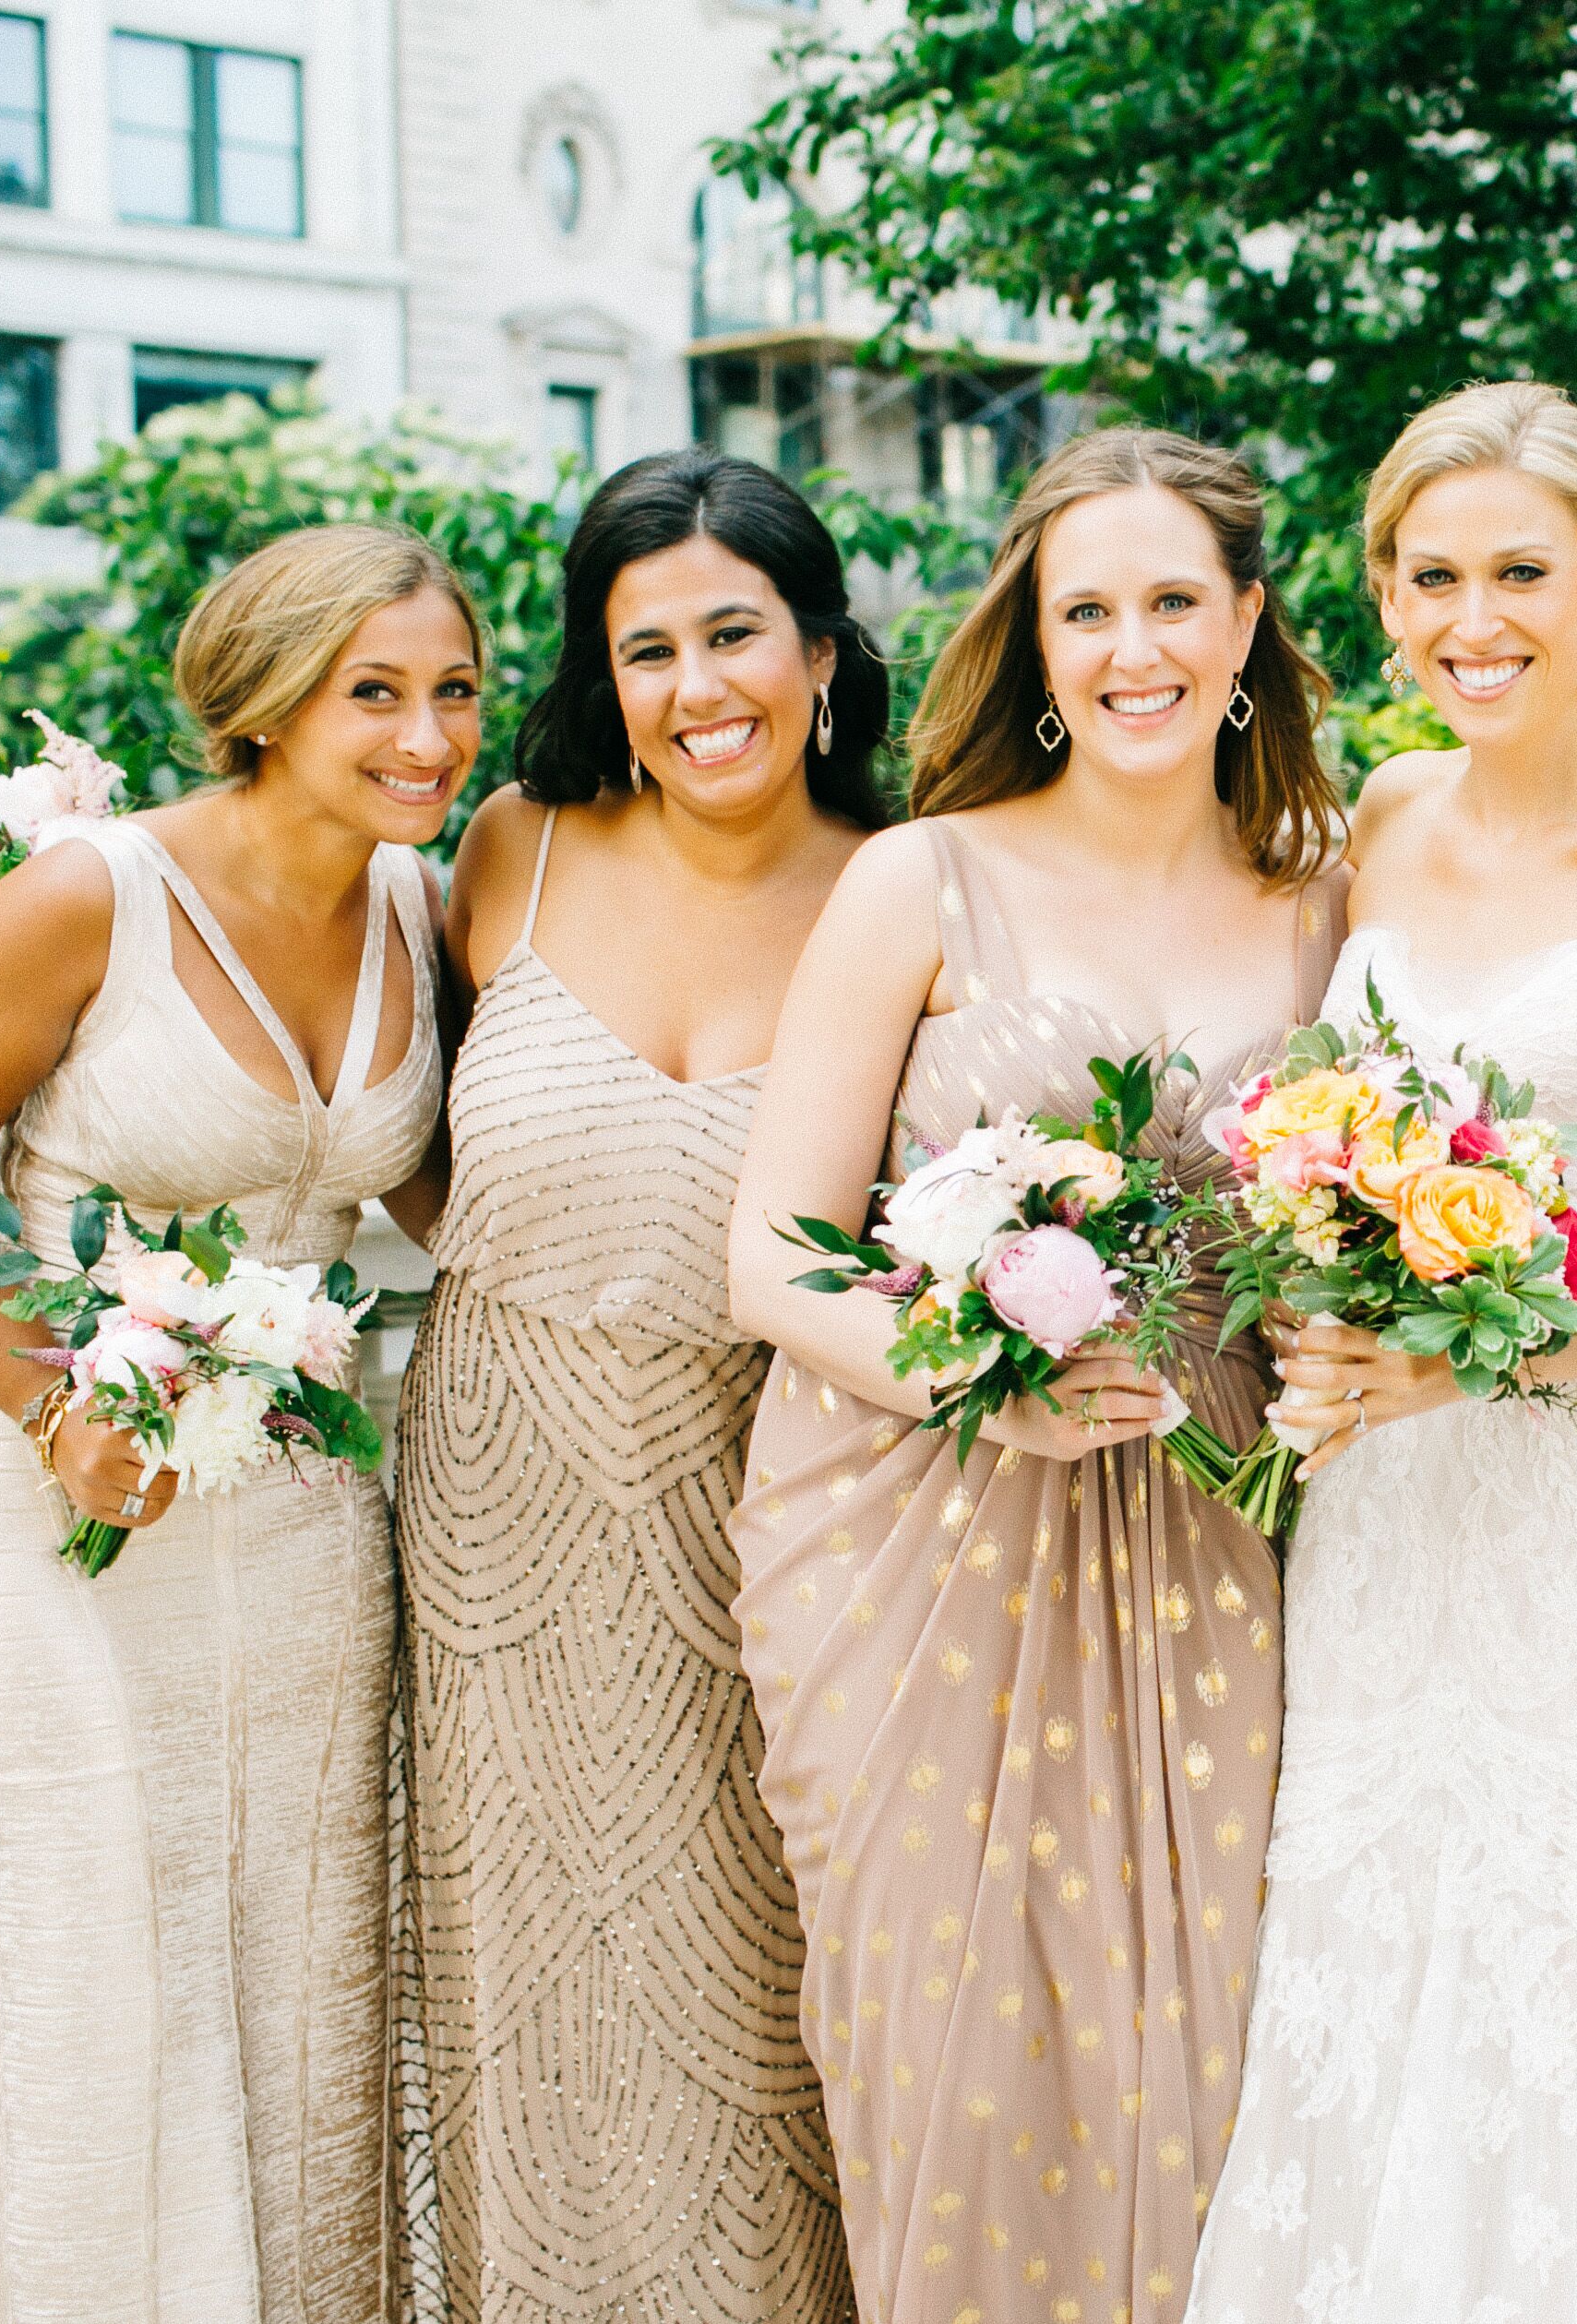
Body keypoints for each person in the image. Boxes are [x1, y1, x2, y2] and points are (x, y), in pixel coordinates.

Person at [1185, 381, 1577, 2323]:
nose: (1475, 617)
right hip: (1383, 1504)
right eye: (1431, 574)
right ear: (1381, 594)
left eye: (1523, 574)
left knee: (1569, 1958)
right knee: (1363, 1935)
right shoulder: (1378, 817)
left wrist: (1479, 1359)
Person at [722, 427, 1349, 2322]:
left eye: (1174, 602)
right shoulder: (922, 882)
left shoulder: (1332, 891)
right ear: (1035, 638)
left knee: (1216, 2055)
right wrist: (972, 1377)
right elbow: (770, 1253)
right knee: (953, 2061)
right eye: (1088, 609)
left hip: (1223, 1529)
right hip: (921, 1537)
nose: (1131, 649)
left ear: (1246, 623)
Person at [0, 525, 469, 2320]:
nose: (427, 735)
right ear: (267, 702)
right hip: (61, 1520)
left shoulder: (424, 912)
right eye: (377, 694)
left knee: (311, 1979)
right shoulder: (84, 900)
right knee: (110, 1982)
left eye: (452, 692)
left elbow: (448, 1200)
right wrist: (59, 1408)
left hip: (304, 1529)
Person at [390, 450, 876, 2322]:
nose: (700, 688)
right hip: (502, 1511)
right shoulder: (511, 845)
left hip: (782, 1517)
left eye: (736, 633)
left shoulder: (909, 879)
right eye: (647, 646)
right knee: (534, 2001)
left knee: (773, 1997)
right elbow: (411, 1129)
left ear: (819, 648)